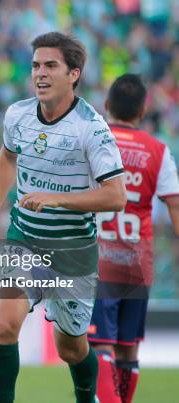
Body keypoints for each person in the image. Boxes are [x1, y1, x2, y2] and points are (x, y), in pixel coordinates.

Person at [0, 32, 127, 403]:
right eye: (35, 66)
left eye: (50, 66)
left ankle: (86, 396)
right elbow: (8, 157)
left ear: (74, 74)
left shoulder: (92, 128)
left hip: (73, 250)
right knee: (4, 327)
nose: (40, 74)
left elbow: (116, 196)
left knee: (71, 349)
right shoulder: (18, 115)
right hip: (24, 239)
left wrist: (56, 200)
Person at [88, 74, 179, 403]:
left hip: (100, 258)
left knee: (100, 346)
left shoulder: (94, 140)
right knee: (128, 349)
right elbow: (174, 204)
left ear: (107, 105)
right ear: (143, 110)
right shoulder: (158, 151)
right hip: (139, 263)